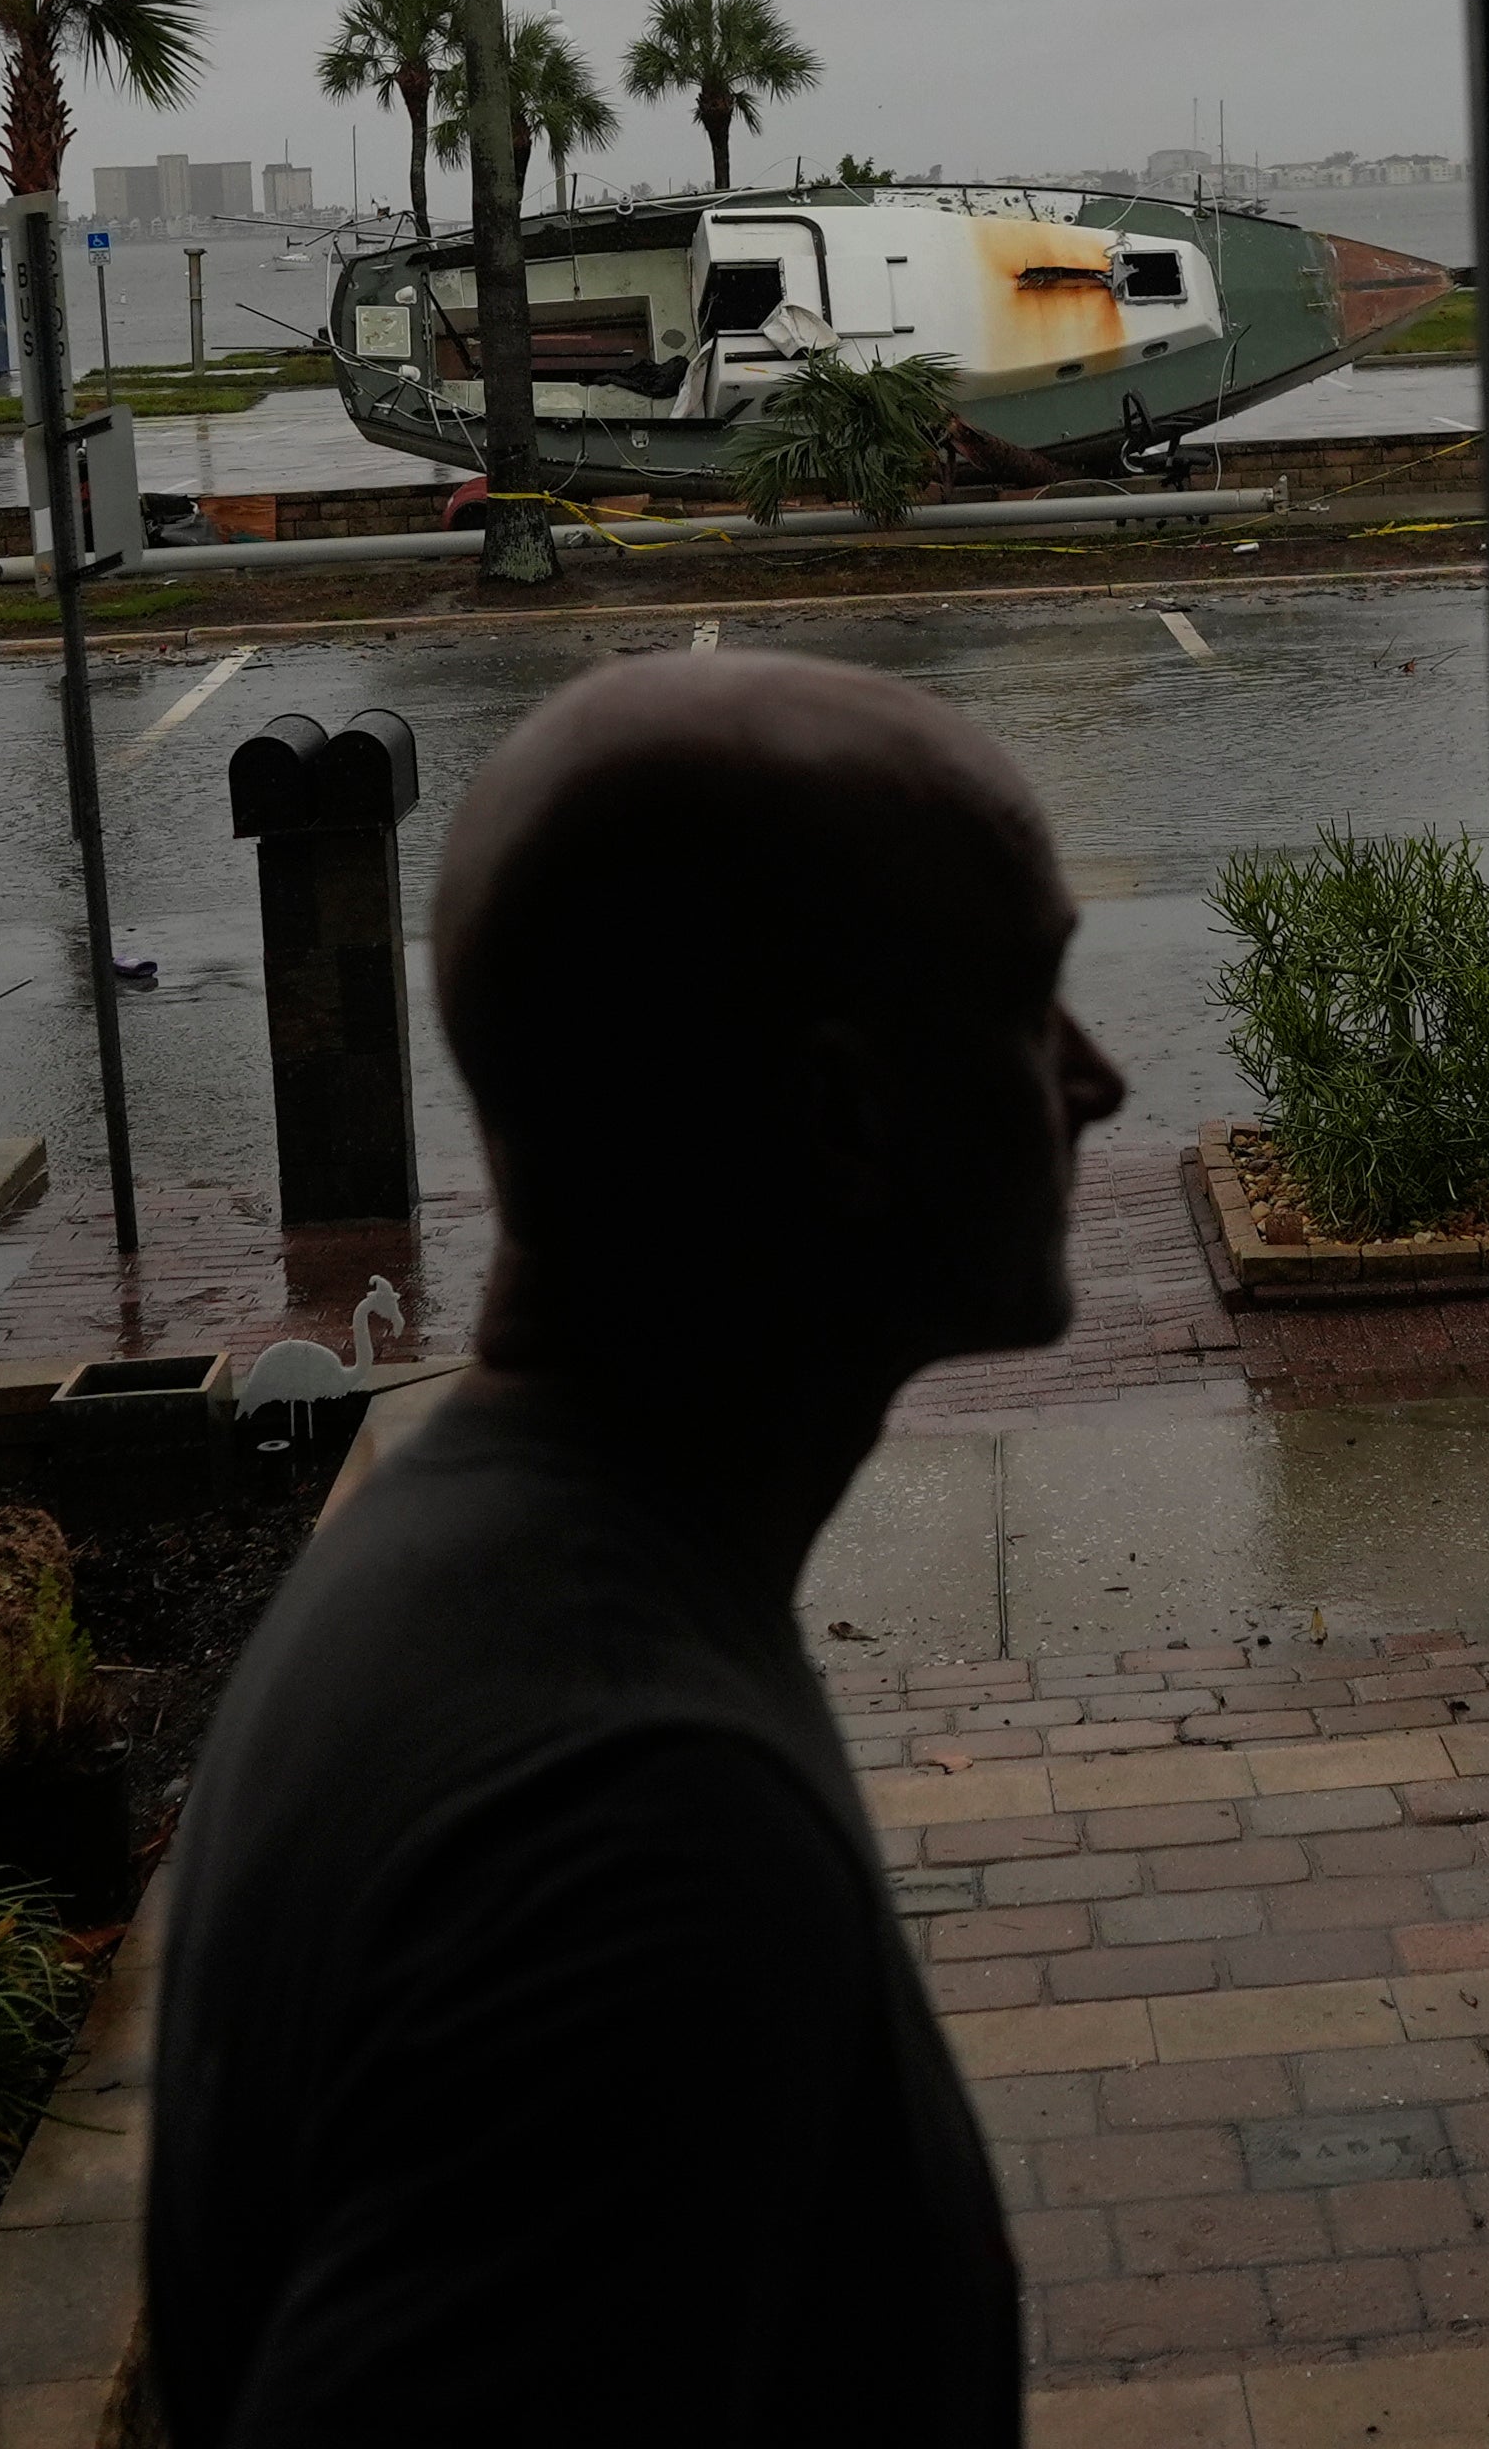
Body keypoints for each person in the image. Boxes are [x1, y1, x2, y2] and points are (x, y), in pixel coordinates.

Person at [145, 651, 1126, 2445]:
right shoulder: (634, 1835)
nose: (1099, 1079)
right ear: (843, 1118)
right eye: (1033, 998)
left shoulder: (472, 1573)